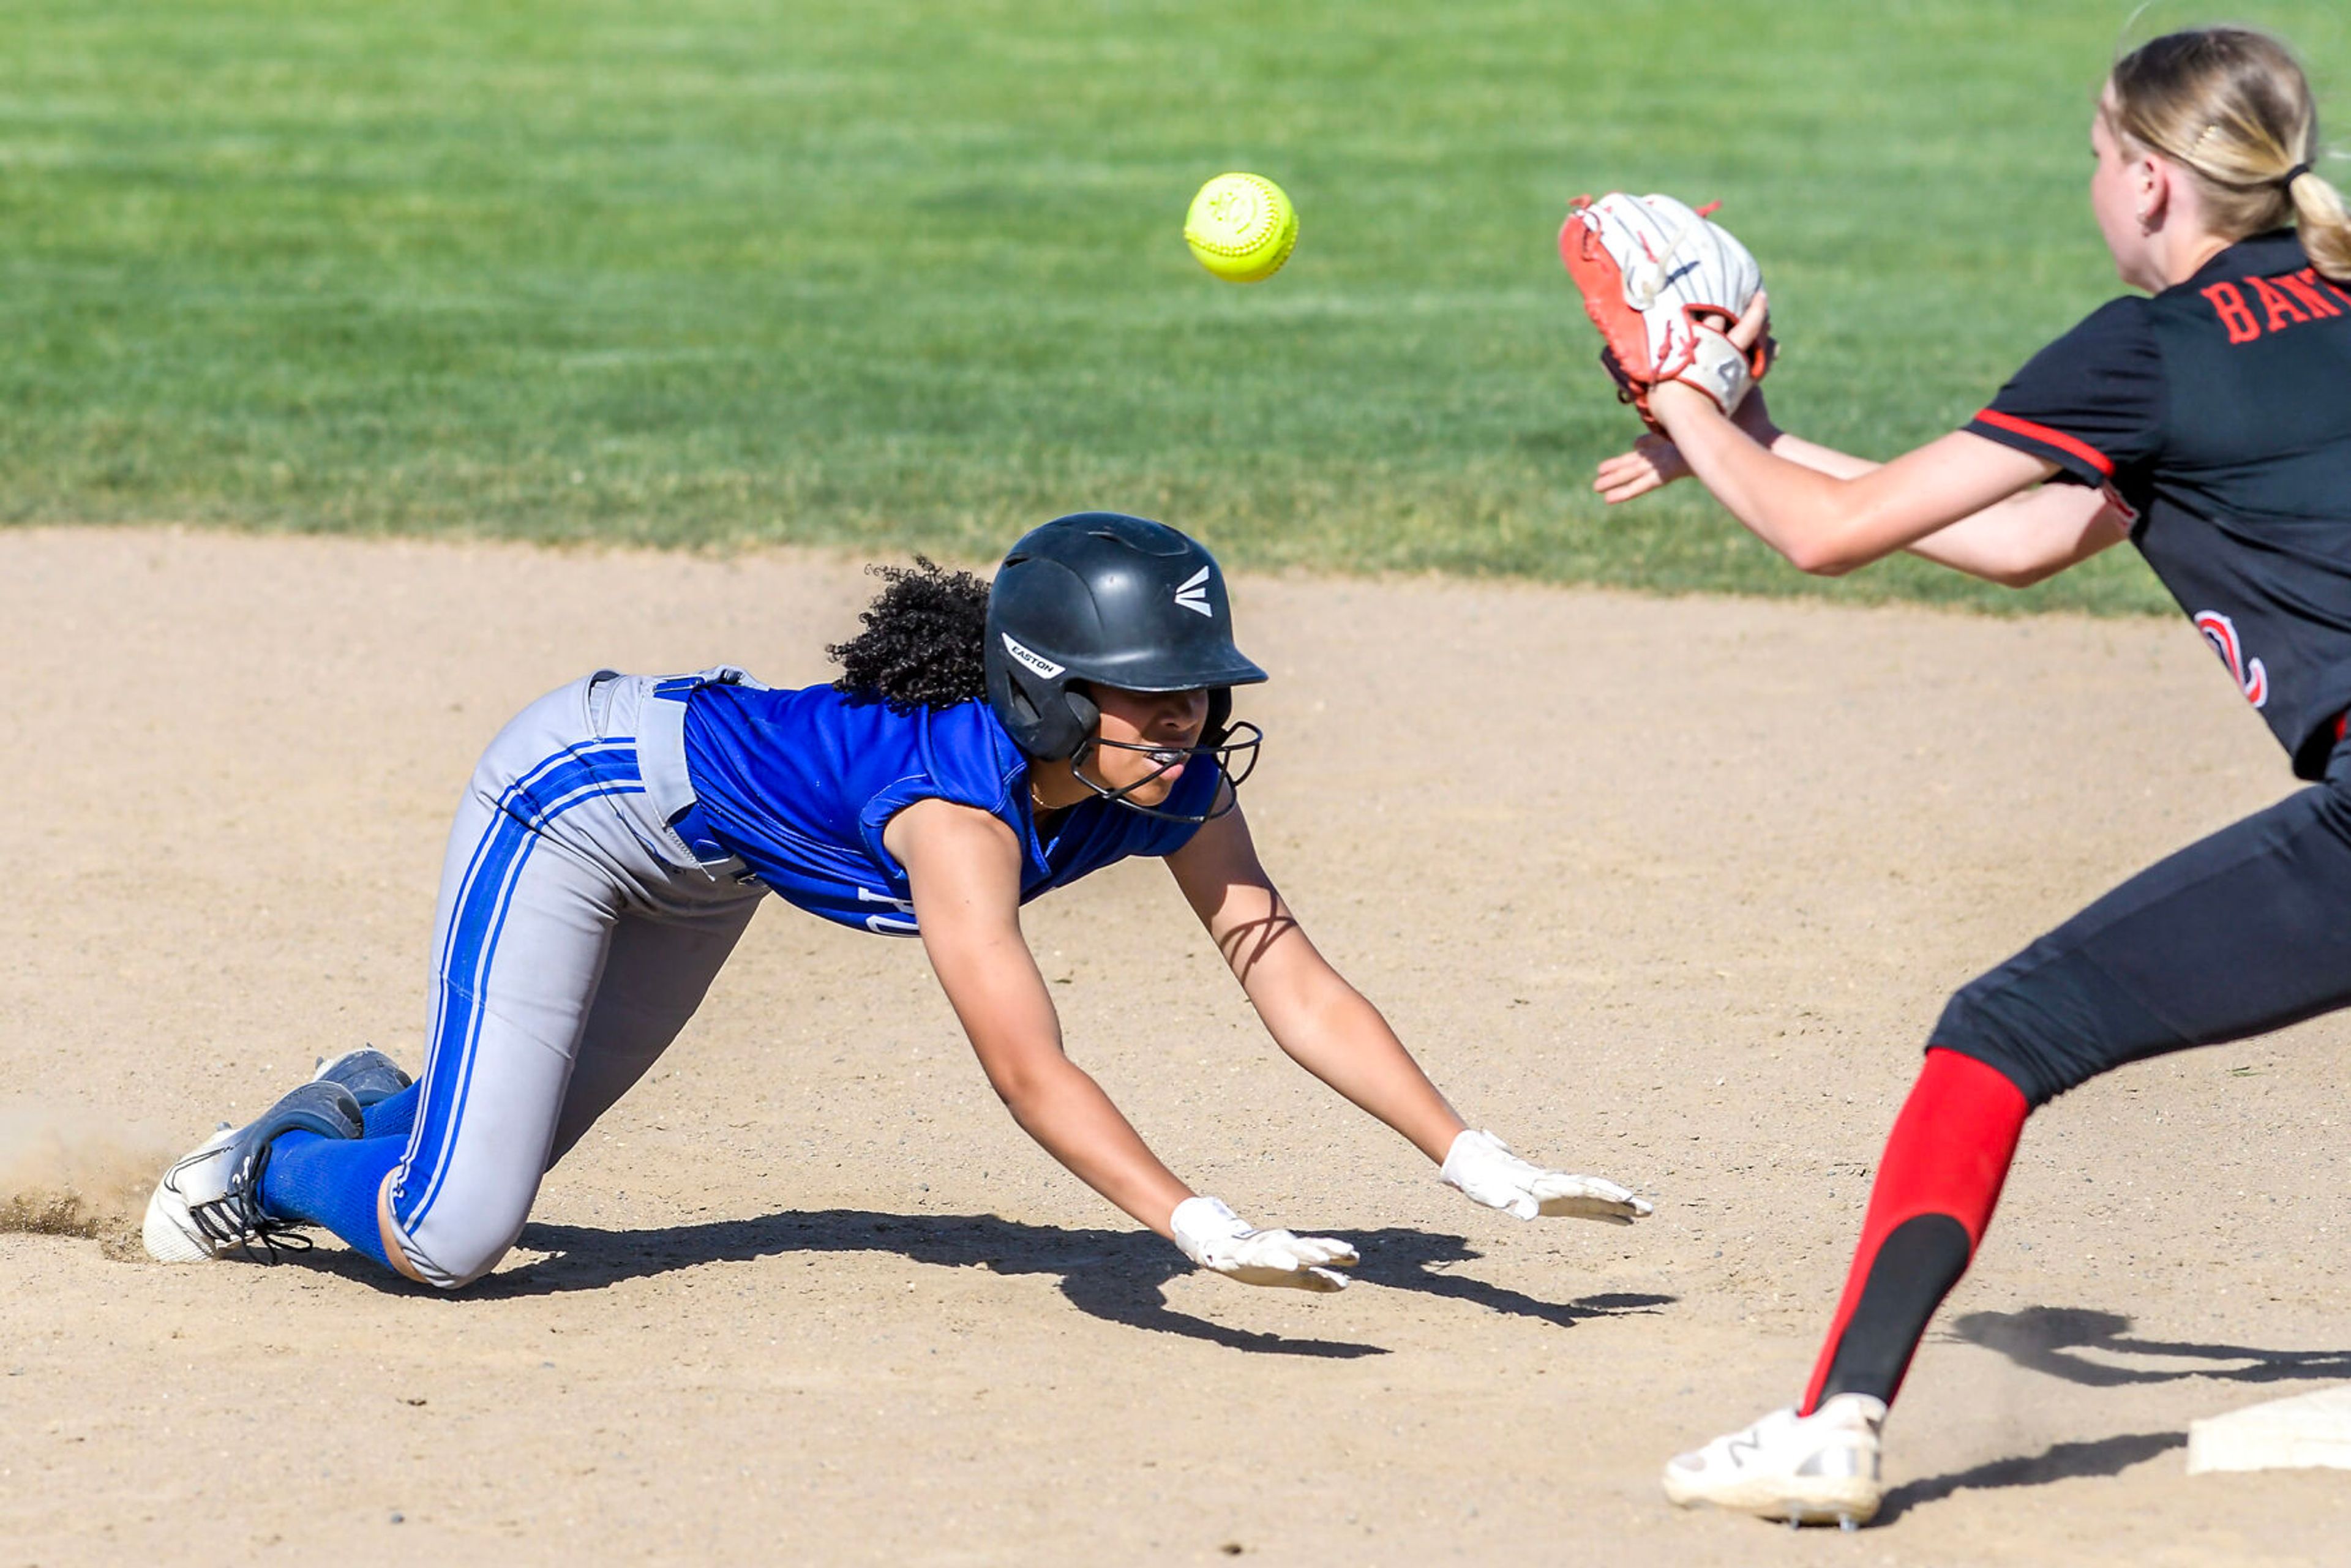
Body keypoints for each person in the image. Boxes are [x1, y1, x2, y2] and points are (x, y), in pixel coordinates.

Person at [143, 511, 1651, 1292]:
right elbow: (1025, 1065)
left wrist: (1477, 1161)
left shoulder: (1167, 779)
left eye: (1197, 692)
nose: (1186, 723)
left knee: (494, 1159)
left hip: (705, 873)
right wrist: (1189, 1222)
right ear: (1052, 700)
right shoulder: (956, 816)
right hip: (582, 801)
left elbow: (1285, 970)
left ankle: (367, 1106)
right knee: (452, 1238)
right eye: (1148, 699)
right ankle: (271, 1162)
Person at [1588, 26, 2351, 1529]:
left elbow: (1832, 536)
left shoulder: (2152, 351)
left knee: (1998, 1033)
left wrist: (1674, 392)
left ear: (2145, 178)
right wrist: (1752, 431)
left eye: (2093, 156)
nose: (2092, 183)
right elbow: (2016, 539)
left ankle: (1832, 1424)